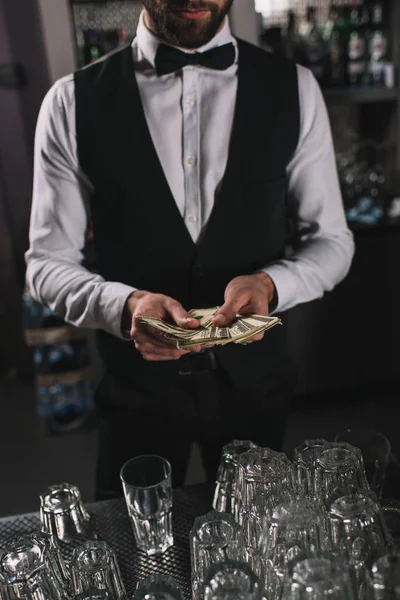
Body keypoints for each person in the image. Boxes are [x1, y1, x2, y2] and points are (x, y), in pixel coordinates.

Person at [26, 0, 355, 499]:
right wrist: (126, 306)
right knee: (137, 554)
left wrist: (271, 285)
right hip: (137, 395)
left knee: (257, 549)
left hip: (254, 389)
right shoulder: (70, 102)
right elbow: (47, 265)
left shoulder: (296, 88)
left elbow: (332, 241)